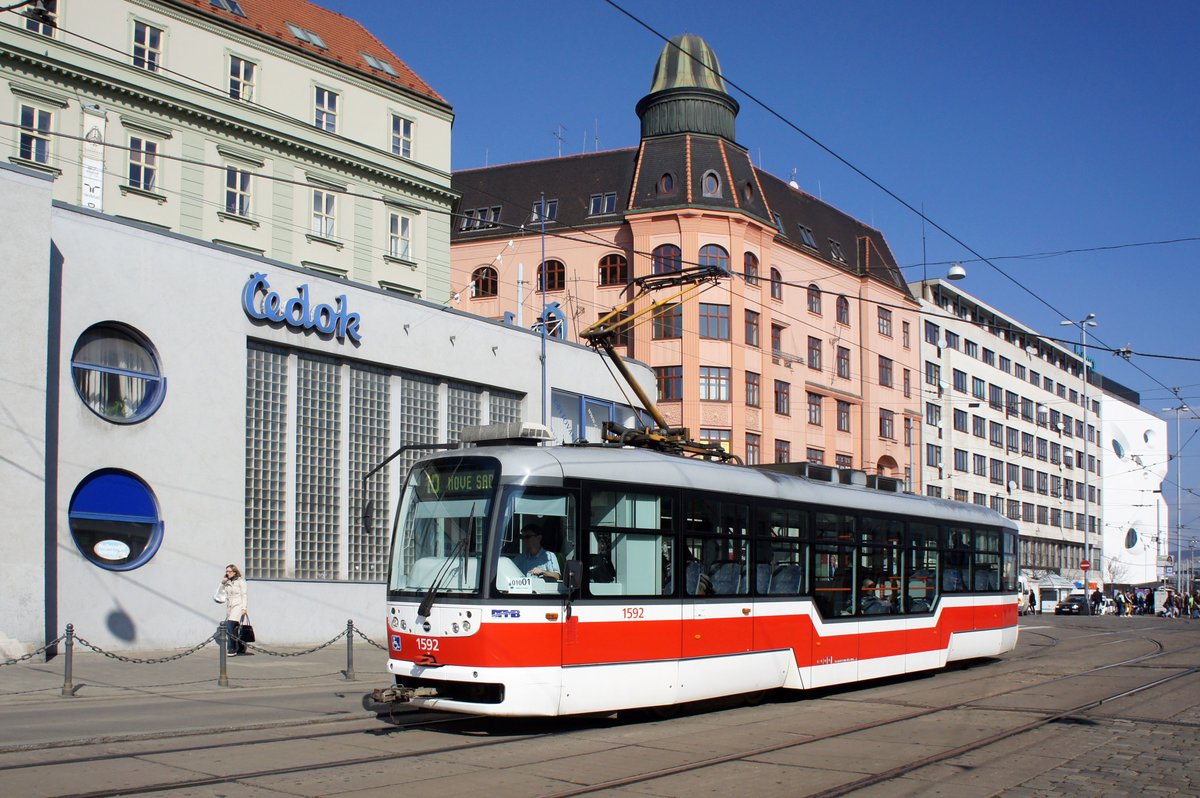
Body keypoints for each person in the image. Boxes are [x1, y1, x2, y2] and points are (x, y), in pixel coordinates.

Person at [221, 564, 249, 655]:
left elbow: (244, 595)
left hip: (238, 605)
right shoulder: (227, 582)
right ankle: (241, 646)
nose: (227, 573)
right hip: (230, 606)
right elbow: (220, 593)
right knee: (234, 627)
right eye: (226, 571)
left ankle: (232, 648)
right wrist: (223, 582)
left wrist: (244, 608)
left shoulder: (241, 581)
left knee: (230, 625)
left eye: (229, 571)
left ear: (234, 572)